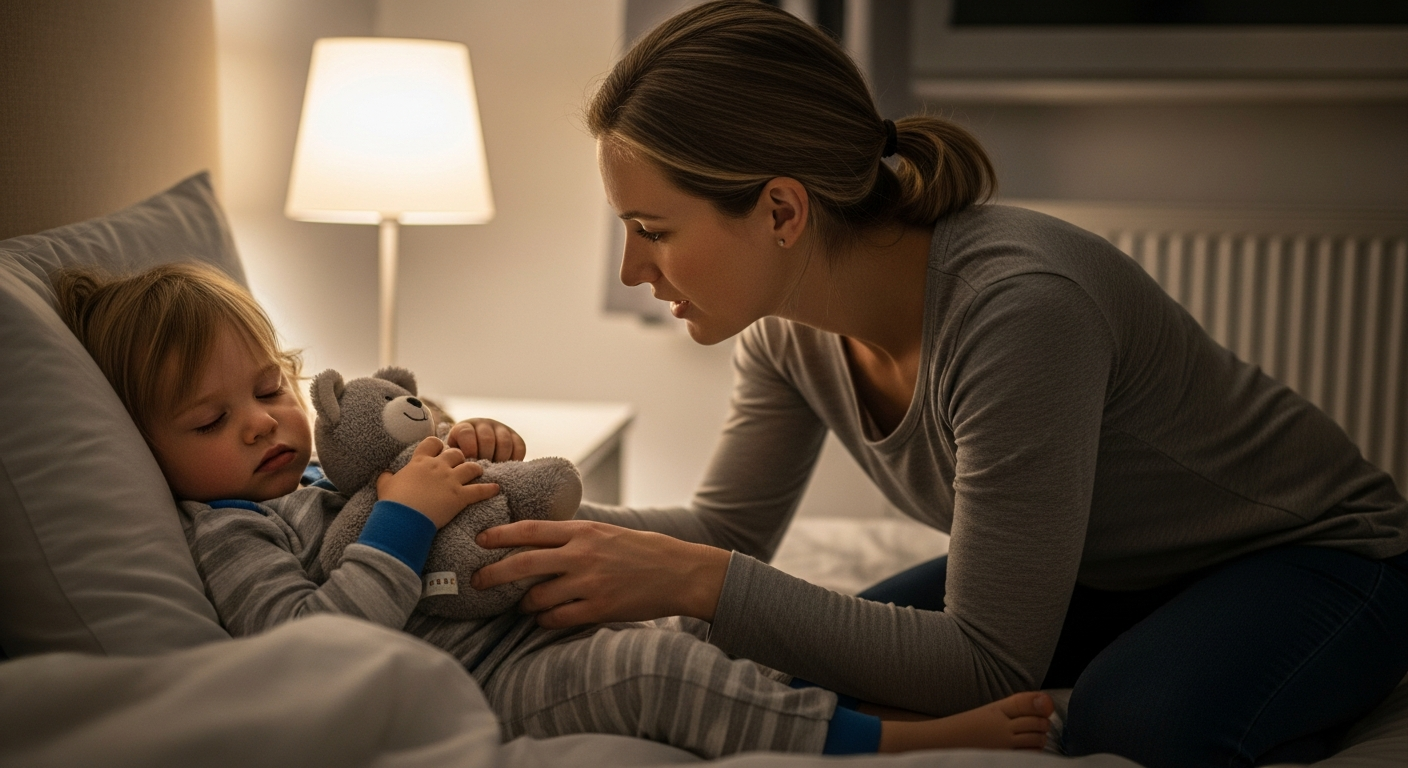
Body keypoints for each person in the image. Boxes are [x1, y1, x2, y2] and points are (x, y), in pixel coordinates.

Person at [467, 3, 1408, 767]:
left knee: (1133, 727)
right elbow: (727, 528)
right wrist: (502, 506)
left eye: (654, 230)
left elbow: (986, 663)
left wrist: (700, 580)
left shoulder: (1020, 310)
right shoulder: (790, 329)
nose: (632, 269)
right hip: (1110, 570)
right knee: (785, 663)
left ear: (782, 209)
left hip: (1322, 556)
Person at [54, 260, 1057, 758]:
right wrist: (405, 519)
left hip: (518, 621)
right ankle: (898, 744)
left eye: (269, 388)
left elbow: (426, 474)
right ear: (146, 448)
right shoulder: (232, 533)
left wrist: (470, 447)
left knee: (697, 623)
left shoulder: (323, 475)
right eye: (209, 420)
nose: (258, 425)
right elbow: (311, 648)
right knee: (655, 670)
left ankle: (845, 707)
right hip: (486, 680)